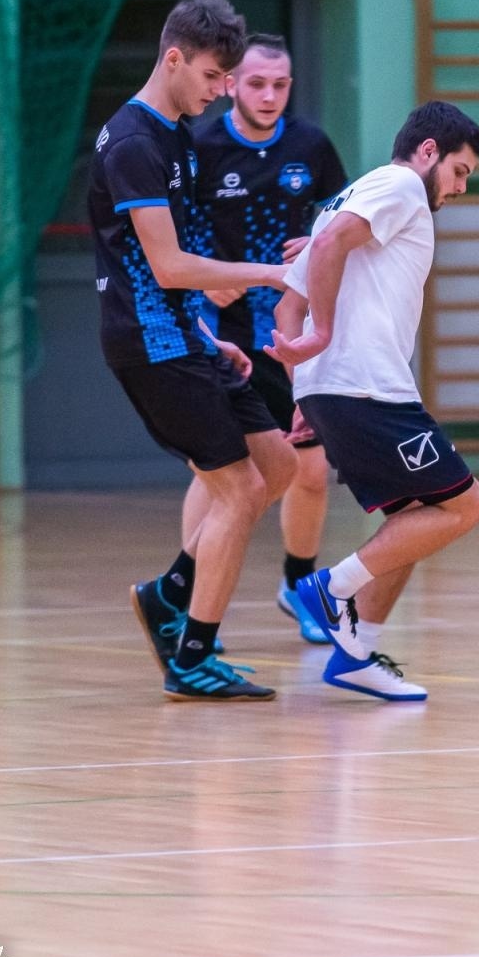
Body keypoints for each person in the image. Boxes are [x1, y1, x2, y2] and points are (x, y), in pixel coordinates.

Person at [90, 0, 295, 701]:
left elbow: (159, 271)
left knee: (278, 465)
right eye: (213, 76)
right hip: (150, 345)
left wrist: (208, 336)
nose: (220, 91)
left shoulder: (176, 132)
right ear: (173, 59)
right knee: (239, 490)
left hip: (182, 335)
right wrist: (269, 272)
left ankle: (168, 594)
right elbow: (171, 266)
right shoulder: (135, 144)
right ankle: (193, 657)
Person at [265, 101, 479, 702]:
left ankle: (356, 654)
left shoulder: (348, 196)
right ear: (428, 151)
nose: (461, 188)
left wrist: (303, 384)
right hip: (367, 385)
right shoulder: (401, 186)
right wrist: (324, 335)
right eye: (460, 171)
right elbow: (331, 249)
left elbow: (286, 305)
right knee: (464, 506)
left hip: (335, 388)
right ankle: (329, 587)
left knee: (415, 515)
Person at [189, 32, 349, 644]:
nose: (268, 95)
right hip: (222, 339)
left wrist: (319, 242)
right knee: (218, 474)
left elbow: (341, 225)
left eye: (280, 85)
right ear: (231, 84)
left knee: (311, 471)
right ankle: (186, 596)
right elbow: (167, 237)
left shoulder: (311, 146)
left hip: (290, 337)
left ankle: (300, 586)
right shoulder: (202, 148)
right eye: (256, 83)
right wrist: (204, 281)